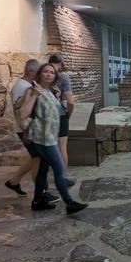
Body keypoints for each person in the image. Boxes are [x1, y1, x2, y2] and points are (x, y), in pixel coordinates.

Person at [17, 63, 87, 216]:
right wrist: (34, 95)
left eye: (52, 72)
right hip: (41, 138)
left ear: (55, 76)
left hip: (50, 136)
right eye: (45, 71)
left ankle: (37, 201)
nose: (49, 74)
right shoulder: (31, 90)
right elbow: (23, 114)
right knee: (59, 169)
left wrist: (56, 97)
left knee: (42, 171)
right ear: (39, 74)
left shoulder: (51, 91)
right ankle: (69, 203)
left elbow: (55, 111)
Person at [4, 59, 57, 203]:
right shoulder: (22, 87)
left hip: (31, 130)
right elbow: (20, 112)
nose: (43, 74)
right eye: (41, 71)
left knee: (36, 158)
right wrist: (27, 131)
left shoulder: (28, 85)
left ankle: (14, 182)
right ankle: (42, 192)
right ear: (31, 72)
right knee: (39, 160)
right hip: (28, 131)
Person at [48, 53, 75, 187]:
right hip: (59, 115)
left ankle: (47, 174)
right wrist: (68, 115)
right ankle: (62, 176)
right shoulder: (63, 78)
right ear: (61, 63)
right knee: (62, 147)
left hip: (44, 116)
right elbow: (70, 102)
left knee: (48, 146)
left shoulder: (40, 76)